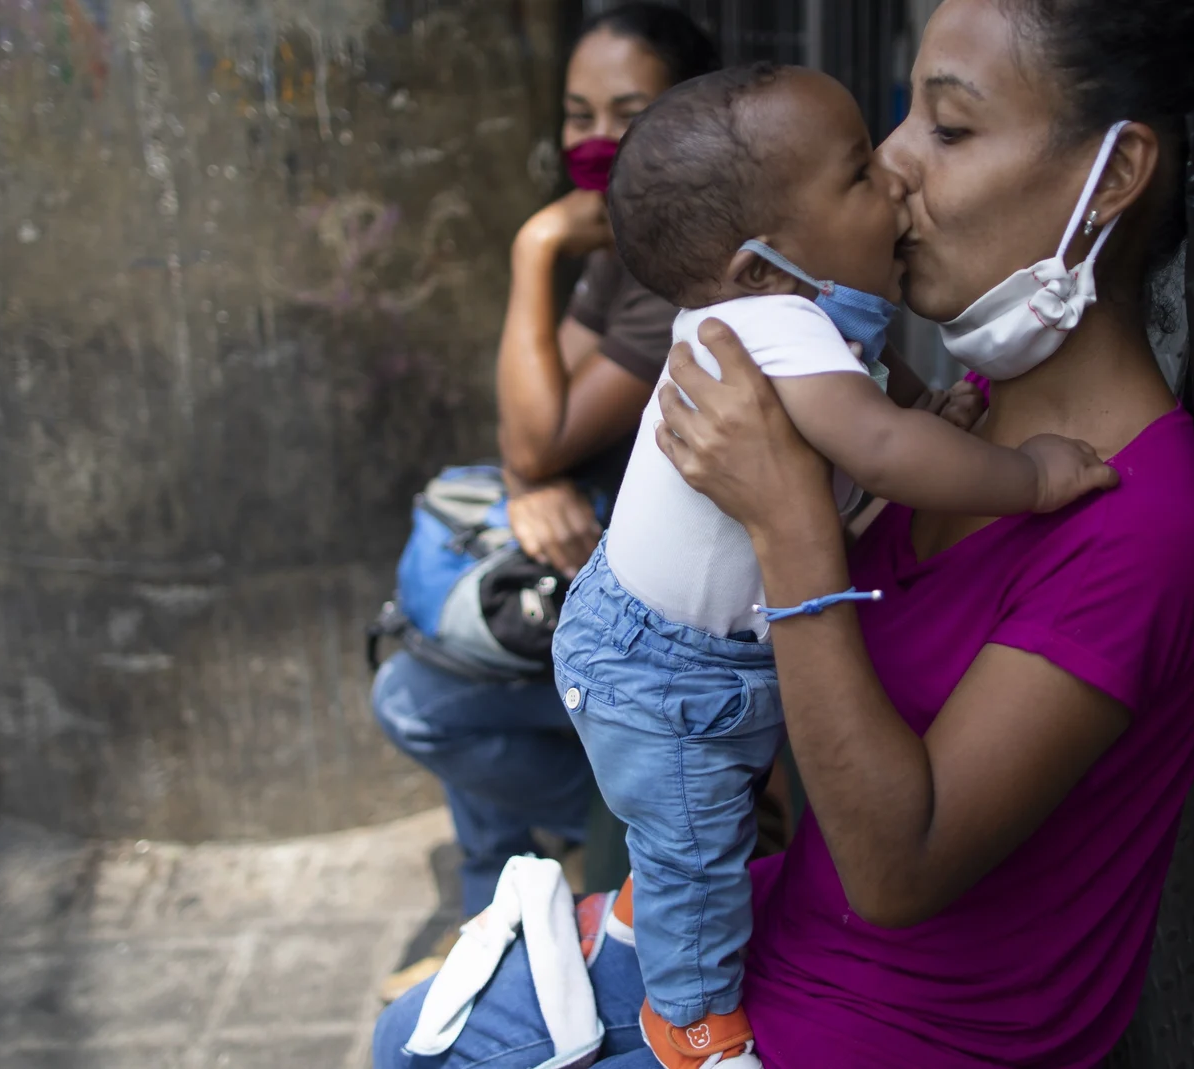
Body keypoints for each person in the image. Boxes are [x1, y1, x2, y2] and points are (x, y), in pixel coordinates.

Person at [374, 0, 1194, 1064]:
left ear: (1113, 177)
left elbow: (897, 868)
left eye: (948, 127)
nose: (892, 168)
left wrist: (790, 522)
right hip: (787, 935)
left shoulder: (1150, 525)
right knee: (416, 1031)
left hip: (891, 1031)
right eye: (899, 121)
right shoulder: (959, 409)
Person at [552, 62, 1118, 1068]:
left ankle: (655, 893)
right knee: (695, 835)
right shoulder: (773, 325)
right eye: (858, 175)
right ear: (763, 264)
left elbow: (885, 412)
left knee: (700, 820)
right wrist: (1026, 475)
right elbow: (882, 449)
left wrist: (929, 415)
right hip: (662, 671)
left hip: (680, 645)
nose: (895, 180)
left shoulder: (811, 316)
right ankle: (690, 1027)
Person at [371, 3, 719, 1002]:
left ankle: (616, 845)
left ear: (686, 118)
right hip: (591, 569)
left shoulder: (675, 263)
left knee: (414, 697)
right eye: (577, 113)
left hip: (656, 626)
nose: (595, 139)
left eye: (627, 110)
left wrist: (533, 248)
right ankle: (493, 908)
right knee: (443, 633)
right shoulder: (619, 243)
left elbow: (536, 428)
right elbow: (535, 418)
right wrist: (530, 480)